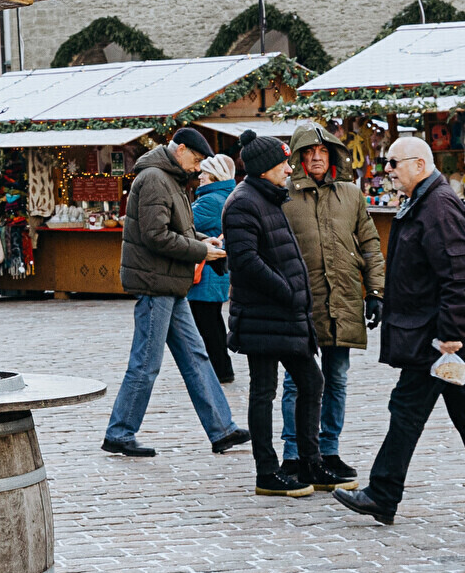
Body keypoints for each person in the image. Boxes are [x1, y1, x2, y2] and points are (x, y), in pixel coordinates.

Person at [334, 134, 465, 524]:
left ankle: (383, 494)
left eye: (394, 163)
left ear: (419, 165)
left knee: (406, 410)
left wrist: (452, 333)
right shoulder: (424, 201)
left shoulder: (438, 205)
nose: (388, 170)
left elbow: (462, 275)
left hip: (435, 338)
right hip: (431, 333)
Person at [101, 127, 251, 458]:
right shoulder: (155, 178)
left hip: (169, 283)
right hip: (156, 283)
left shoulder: (169, 177)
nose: (198, 168)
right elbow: (156, 235)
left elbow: (176, 229)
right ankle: (120, 433)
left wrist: (201, 240)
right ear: (180, 149)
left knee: (196, 357)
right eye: (196, 160)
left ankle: (222, 429)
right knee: (146, 362)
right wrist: (200, 251)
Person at [276, 118, 381, 484]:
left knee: (337, 377)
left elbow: (369, 243)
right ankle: (293, 454)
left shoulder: (350, 194)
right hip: (299, 302)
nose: (317, 158)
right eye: (310, 152)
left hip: (344, 299)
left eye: (323, 151)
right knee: (296, 381)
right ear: (298, 157)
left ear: (333, 155)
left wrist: (376, 292)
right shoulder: (283, 195)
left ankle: (329, 450)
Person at [221, 135, 322, 494]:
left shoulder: (269, 197)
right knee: (264, 390)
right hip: (263, 314)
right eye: (284, 163)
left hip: (284, 314)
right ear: (265, 168)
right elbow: (245, 261)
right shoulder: (243, 202)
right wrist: (286, 291)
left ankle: (310, 463)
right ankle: (267, 471)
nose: (290, 169)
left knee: (311, 382)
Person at [187, 151, 241, 384]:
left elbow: (184, 224)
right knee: (212, 323)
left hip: (206, 273)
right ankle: (220, 368)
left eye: (205, 173)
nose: (200, 176)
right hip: (215, 272)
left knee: (207, 325)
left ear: (215, 176)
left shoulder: (210, 200)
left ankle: (221, 370)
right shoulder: (225, 196)